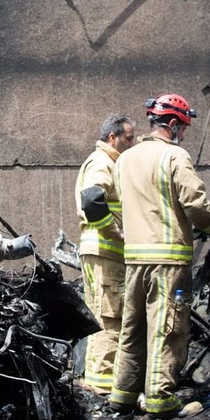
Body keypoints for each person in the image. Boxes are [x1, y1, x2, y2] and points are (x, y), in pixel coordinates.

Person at [107, 93, 210, 420]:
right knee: (168, 328)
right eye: (183, 128)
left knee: (133, 327)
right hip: (169, 263)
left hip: (134, 260)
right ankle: (161, 400)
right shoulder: (174, 157)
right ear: (172, 125)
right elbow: (196, 204)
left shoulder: (125, 159)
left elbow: (116, 207)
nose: (184, 134)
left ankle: (123, 395)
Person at [74, 112, 136, 392]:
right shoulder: (102, 162)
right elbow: (92, 199)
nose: (132, 144)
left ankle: (97, 378)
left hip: (97, 251)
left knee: (101, 312)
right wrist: (116, 233)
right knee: (110, 317)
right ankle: (103, 383)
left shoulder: (106, 162)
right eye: (129, 138)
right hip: (105, 250)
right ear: (113, 138)